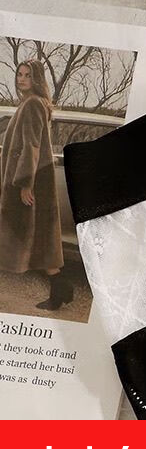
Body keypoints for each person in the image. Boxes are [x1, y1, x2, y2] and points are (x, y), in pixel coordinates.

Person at [0, 59, 72, 310]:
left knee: (30, 237)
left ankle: (61, 289)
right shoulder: (34, 103)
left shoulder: (32, 104)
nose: (21, 79)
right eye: (19, 74)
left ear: (37, 79)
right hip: (36, 180)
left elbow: (31, 145)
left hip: (28, 182)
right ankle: (61, 290)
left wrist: (24, 184)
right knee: (41, 239)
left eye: (27, 75)